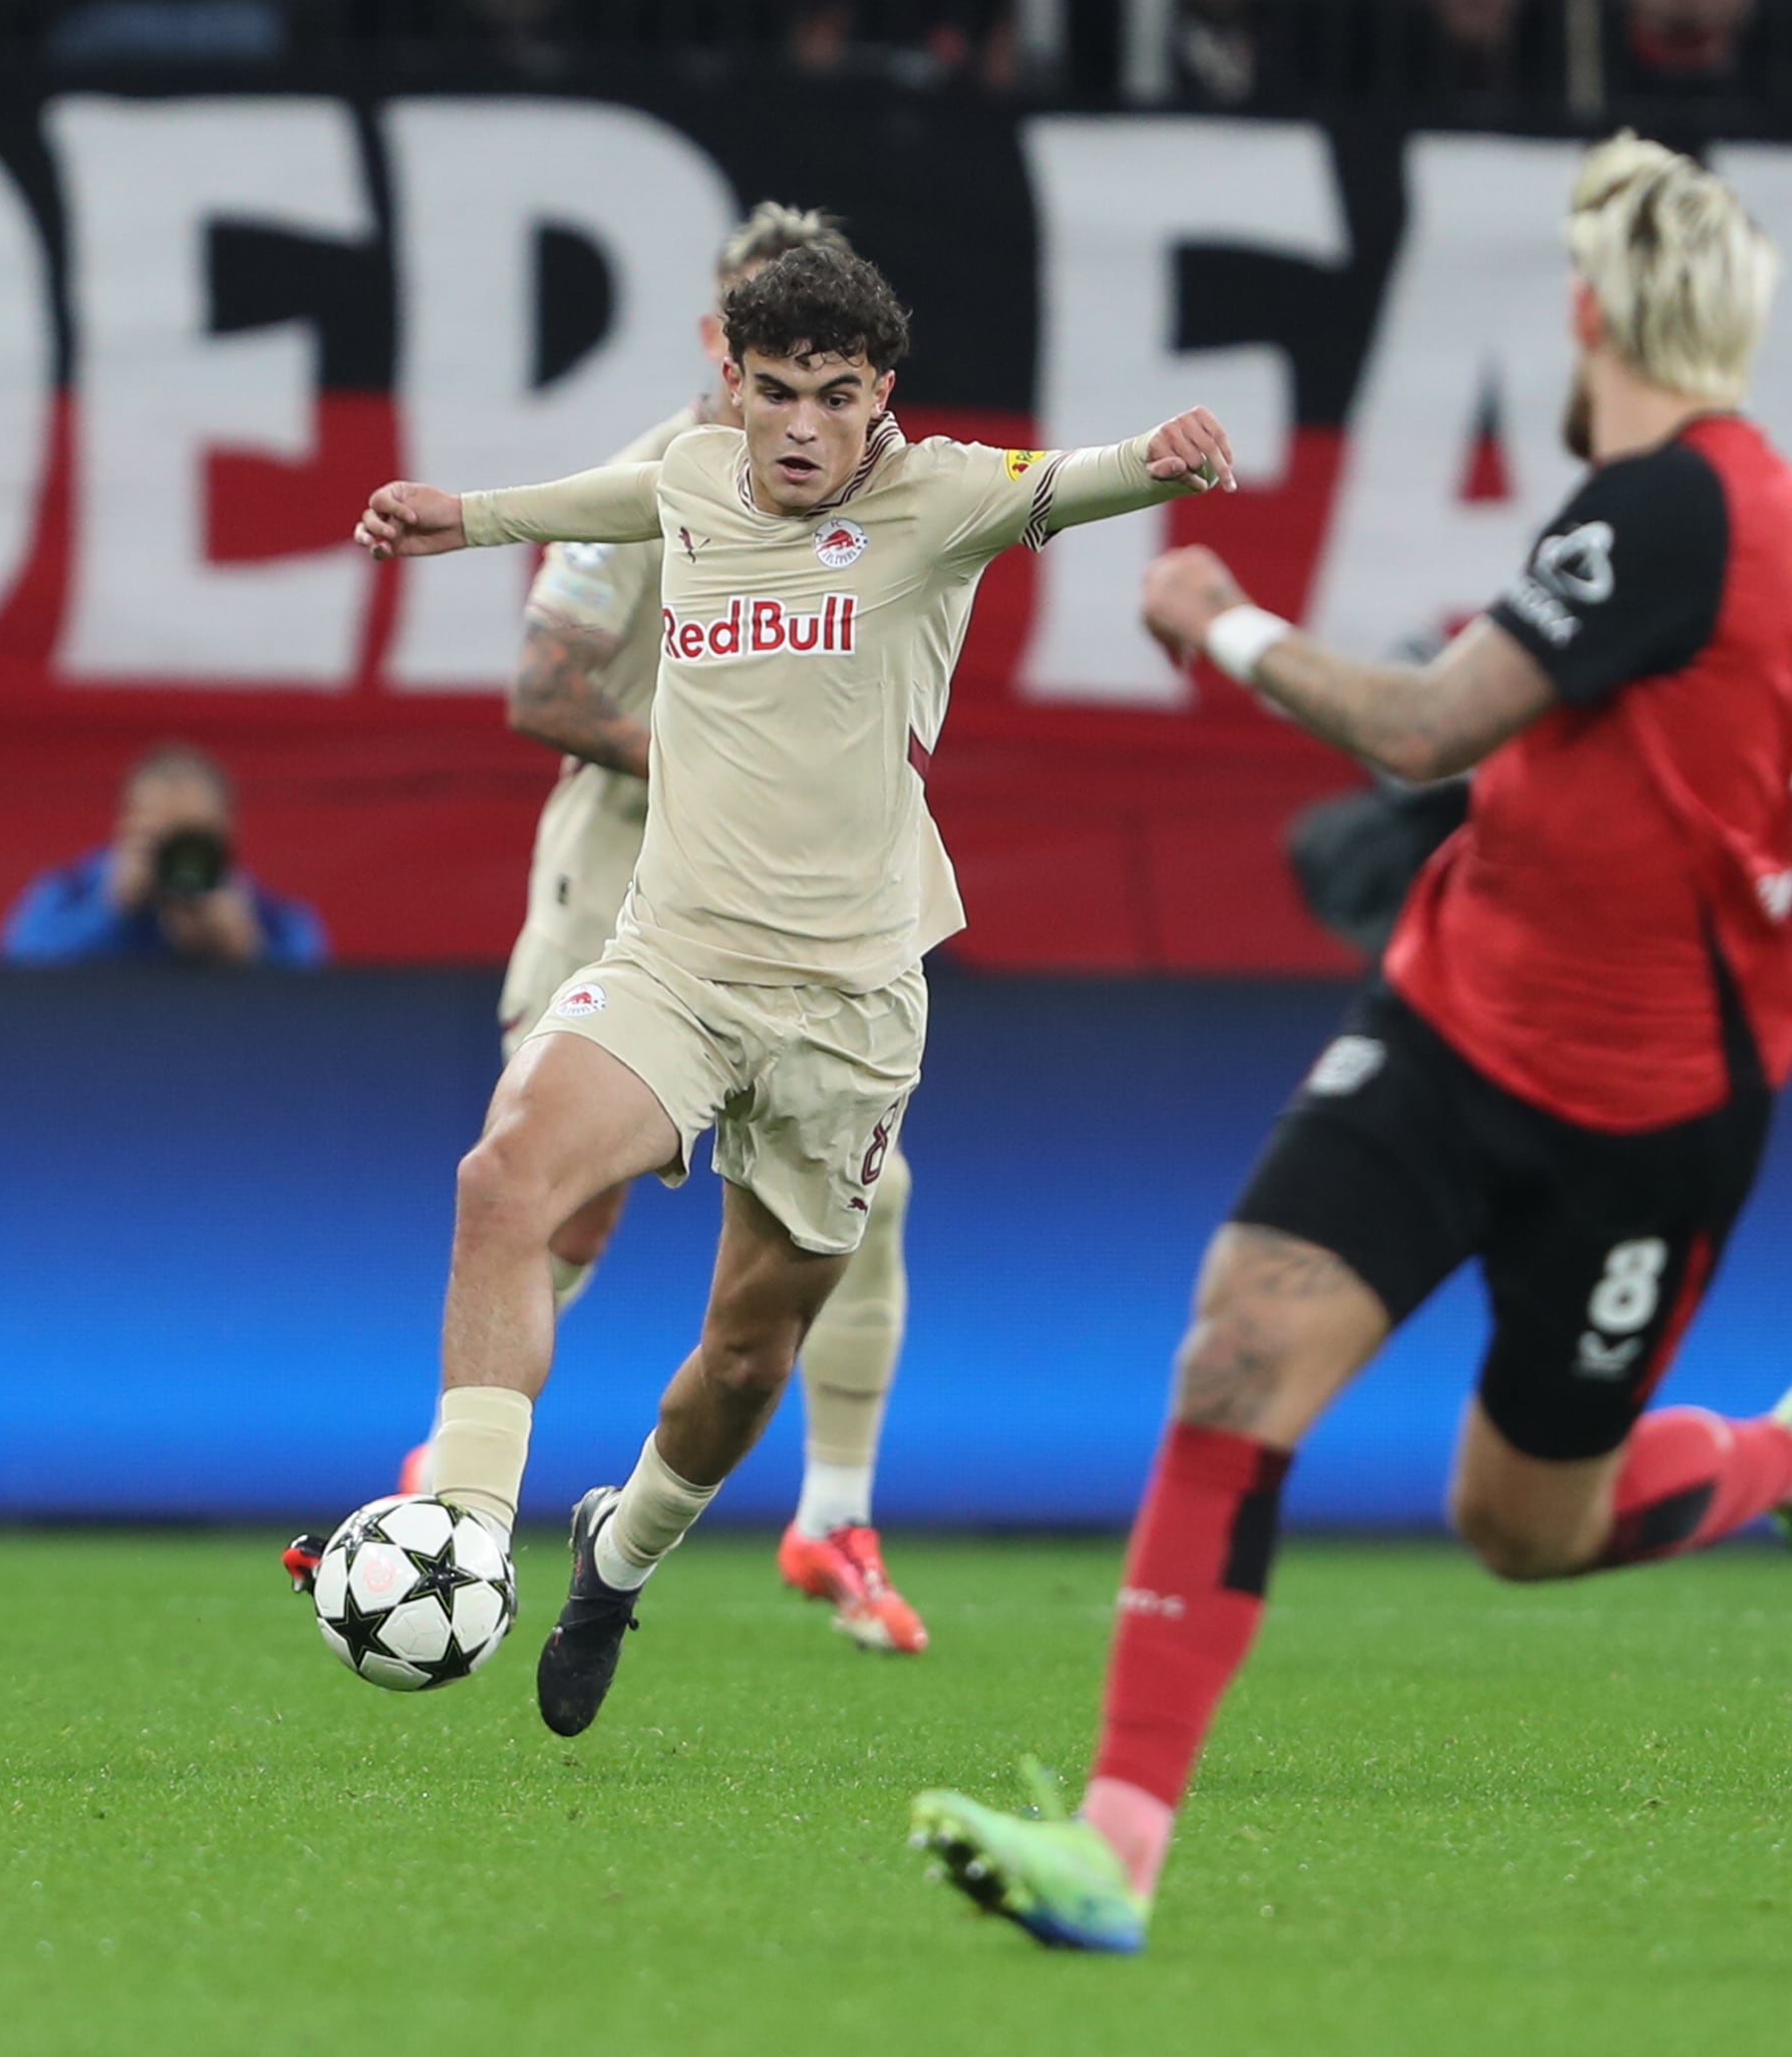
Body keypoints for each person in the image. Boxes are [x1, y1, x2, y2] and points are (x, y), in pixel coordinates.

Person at [907, 133, 1792, 1955]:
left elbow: (1422, 725)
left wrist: (1213, 613)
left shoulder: (1684, 507)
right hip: (1455, 1024)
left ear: (1590, 313)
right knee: (1240, 1348)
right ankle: (1115, 1850)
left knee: (1525, 1522)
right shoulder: (1739, 506)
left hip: (1649, 1112)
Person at [334, 244, 1240, 1741]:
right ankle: (466, 1535)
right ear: (732, 389)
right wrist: (464, 518)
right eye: (773, 395)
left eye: (835, 395)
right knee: (503, 1183)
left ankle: (613, 1564)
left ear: (878, 397)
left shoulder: (935, 498)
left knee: (748, 1353)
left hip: (850, 1009)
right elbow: (624, 496)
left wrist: (1167, 459)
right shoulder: (698, 474)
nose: (802, 426)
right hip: (674, 964)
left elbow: (1078, 478)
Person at [402, 201, 938, 1655]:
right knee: (558, 1188)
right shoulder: (655, 478)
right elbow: (546, 687)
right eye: (755, 339)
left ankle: (832, 1518)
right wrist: (725, 758)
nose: (782, 381)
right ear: (719, 340)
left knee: (855, 1212)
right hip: (622, 891)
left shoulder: (889, 500)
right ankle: (452, 1499)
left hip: (810, 942)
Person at [0, 742, 326, 969]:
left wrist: (244, 949)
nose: (175, 854)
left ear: (225, 834)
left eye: (190, 837)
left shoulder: (277, 920)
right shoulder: (67, 895)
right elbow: (13, 984)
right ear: (126, 827)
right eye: (159, 836)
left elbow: (318, 1013)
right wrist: (110, 912)